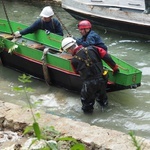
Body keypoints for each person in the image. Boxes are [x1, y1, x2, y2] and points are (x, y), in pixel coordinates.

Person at [61, 37, 119, 113]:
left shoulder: (74, 61)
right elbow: (106, 57)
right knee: (102, 100)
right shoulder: (94, 48)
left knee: (87, 104)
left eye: (67, 51)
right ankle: (106, 112)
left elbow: (76, 73)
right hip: (102, 79)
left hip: (89, 84)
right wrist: (115, 68)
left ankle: (88, 120)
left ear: (69, 49)